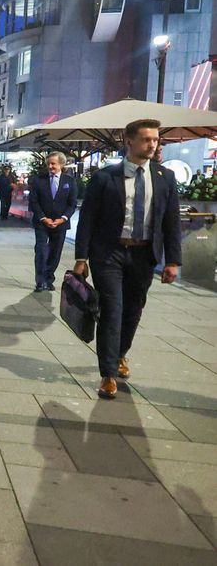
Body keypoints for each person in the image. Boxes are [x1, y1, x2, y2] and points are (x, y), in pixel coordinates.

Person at [74, 119, 181, 400]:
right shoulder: (105, 177)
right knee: (112, 310)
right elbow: (87, 219)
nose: (152, 144)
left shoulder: (165, 177)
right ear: (129, 141)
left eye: (155, 139)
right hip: (109, 253)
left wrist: (173, 261)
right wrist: (81, 257)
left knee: (133, 310)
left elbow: (171, 221)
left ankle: (120, 353)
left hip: (144, 255)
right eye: (146, 139)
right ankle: (108, 374)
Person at [28, 152, 78, 292]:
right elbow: (34, 201)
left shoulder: (69, 181)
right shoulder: (38, 180)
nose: (50, 166)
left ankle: (49, 278)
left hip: (60, 223)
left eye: (53, 164)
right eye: (48, 164)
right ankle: (40, 281)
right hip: (42, 223)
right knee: (41, 251)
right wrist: (43, 218)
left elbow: (72, 203)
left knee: (55, 252)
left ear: (61, 164)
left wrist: (63, 218)